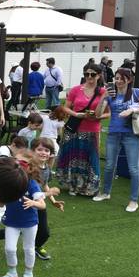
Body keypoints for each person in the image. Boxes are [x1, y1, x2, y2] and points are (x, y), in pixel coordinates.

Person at [93, 67, 139, 212]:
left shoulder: (136, 93)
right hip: (113, 134)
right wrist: (103, 97)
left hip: (131, 135)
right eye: (115, 78)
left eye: (120, 78)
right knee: (110, 165)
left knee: (133, 168)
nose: (117, 81)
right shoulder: (111, 95)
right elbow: (97, 114)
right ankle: (105, 193)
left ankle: (133, 201)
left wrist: (133, 110)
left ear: (128, 79)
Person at [0, 150, 46, 277]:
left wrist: (33, 203)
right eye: (14, 161)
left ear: (30, 167)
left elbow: (42, 204)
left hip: (29, 222)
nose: (16, 164)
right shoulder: (9, 181)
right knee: (9, 248)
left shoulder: (32, 184)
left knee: (28, 249)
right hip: (12, 222)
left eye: (21, 162)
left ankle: (28, 275)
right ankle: (12, 273)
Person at [57, 63, 107, 197]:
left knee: (90, 159)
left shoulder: (103, 92)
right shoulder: (75, 89)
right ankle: (73, 185)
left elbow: (110, 113)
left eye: (92, 74)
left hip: (92, 129)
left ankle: (89, 188)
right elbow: (65, 107)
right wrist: (76, 114)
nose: (89, 77)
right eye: (86, 74)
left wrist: (97, 116)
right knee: (73, 156)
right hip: (74, 128)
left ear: (99, 75)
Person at [31, 138, 65, 261]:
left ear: (51, 154)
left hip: (40, 203)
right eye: (39, 149)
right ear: (32, 151)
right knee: (17, 229)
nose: (43, 153)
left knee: (44, 232)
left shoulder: (47, 168)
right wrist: (48, 193)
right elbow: (31, 192)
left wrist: (53, 201)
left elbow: (45, 185)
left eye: (47, 150)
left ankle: (37, 247)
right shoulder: (29, 168)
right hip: (26, 204)